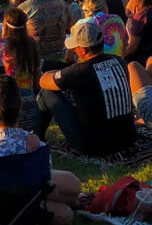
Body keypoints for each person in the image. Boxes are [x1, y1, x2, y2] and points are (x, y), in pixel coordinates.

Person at [0, 74, 81, 225]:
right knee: (66, 206)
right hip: (24, 211)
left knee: (65, 209)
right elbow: (46, 189)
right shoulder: (37, 148)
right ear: (21, 106)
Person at [37, 17, 136, 157]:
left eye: (75, 47)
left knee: (47, 93)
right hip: (127, 137)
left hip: (94, 146)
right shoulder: (119, 61)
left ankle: (36, 137)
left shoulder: (80, 71)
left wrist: (56, 71)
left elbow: (43, 81)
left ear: (82, 51)